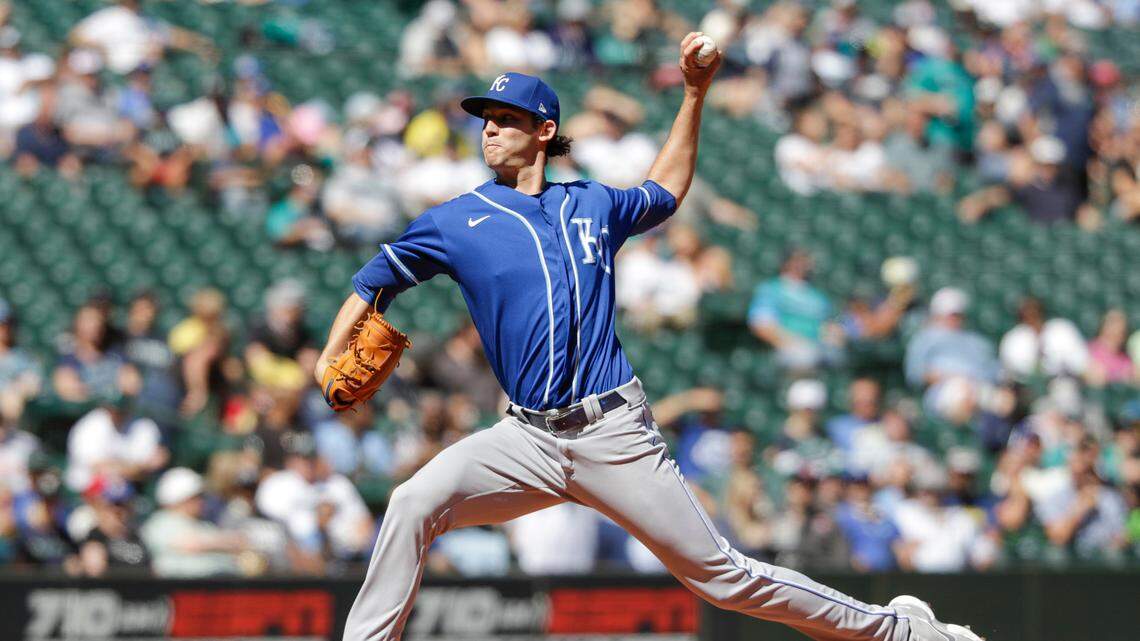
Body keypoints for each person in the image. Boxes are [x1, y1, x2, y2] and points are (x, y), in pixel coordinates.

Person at [317, 36, 980, 641]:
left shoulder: (592, 204)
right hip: (523, 438)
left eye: (508, 117)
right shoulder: (455, 219)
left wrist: (693, 95)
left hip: (612, 432)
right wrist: (328, 355)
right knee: (410, 502)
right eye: (486, 118)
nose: (490, 127)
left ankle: (902, 632)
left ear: (545, 130)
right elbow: (372, 282)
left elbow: (665, 188)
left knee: (722, 576)